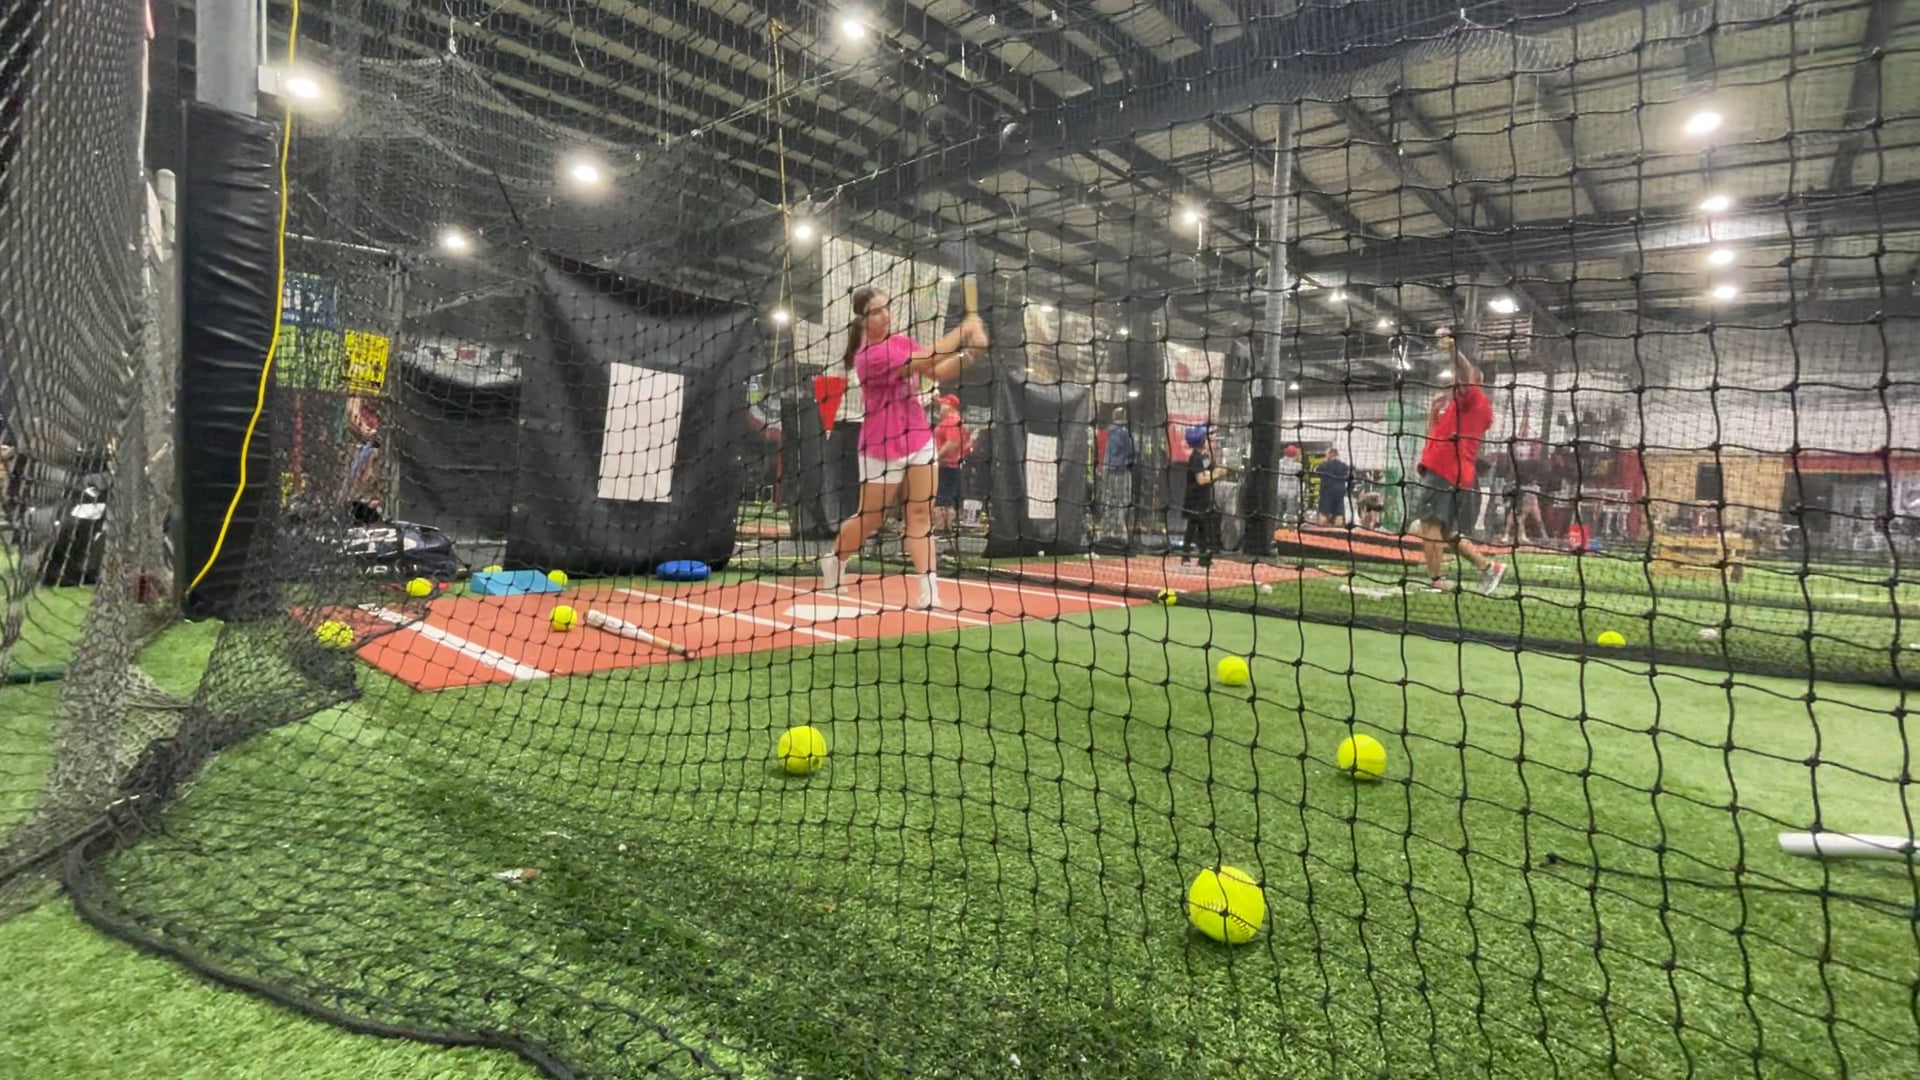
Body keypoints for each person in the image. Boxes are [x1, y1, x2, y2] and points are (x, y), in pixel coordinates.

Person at [818, 286, 987, 610]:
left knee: (920, 514)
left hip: (918, 438)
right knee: (871, 517)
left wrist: (971, 353)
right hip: (880, 445)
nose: (885, 315)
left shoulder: (901, 342)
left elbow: (936, 370)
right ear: (863, 320)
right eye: (875, 312)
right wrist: (963, 331)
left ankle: (929, 591)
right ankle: (835, 559)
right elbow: (926, 359)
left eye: (886, 308)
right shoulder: (868, 356)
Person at [1407, 329, 1506, 593]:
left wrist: (1453, 351)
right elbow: (1435, 435)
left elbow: (1464, 373)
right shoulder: (1465, 408)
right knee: (1446, 532)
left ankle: (1437, 581)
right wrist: (1433, 413)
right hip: (1454, 472)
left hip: (1445, 470)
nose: (1455, 381)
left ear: (1476, 380)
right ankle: (1490, 568)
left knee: (1428, 524)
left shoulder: (1472, 399)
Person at [1180, 425, 1228, 566]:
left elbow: (1210, 470)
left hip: (1203, 498)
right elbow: (1201, 479)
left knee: (1203, 528)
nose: (1208, 441)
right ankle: (1186, 556)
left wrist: (1220, 469)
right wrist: (1216, 474)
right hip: (1194, 498)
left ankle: (1202, 558)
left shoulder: (1204, 457)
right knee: (1193, 527)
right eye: (1206, 439)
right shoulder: (1195, 458)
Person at [932, 394, 972, 533]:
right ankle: (945, 529)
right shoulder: (957, 421)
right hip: (951, 465)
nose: (940, 408)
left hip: (946, 466)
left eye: (943, 404)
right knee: (946, 499)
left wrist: (935, 457)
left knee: (940, 499)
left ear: (950, 406)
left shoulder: (952, 421)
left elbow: (952, 443)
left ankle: (941, 529)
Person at [1097, 407, 1136, 547]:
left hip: (1108, 471)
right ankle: (1119, 535)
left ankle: (1105, 533)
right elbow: (1130, 454)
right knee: (1121, 503)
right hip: (1120, 472)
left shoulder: (1109, 432)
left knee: (1108, 502)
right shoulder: (1123, 433)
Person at [1314, 447, 1351, 527]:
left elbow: (1317, 472)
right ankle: (1338, 530)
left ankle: (1322, 529)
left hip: (1327, 491)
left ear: (1329, 455)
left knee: (1324, 511)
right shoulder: (1344, 466)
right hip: (1340, 491)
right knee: (1339, 512)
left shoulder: (1324, 465)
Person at [1275, 445, 1304, 527]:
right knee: (1290, 514)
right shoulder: (1298, 466)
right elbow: (1299, 480)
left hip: (1279, 490)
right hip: (1292, 493)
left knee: (1278, 513)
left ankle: (1276, 529)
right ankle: (1290, 530)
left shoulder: (1279, 463)